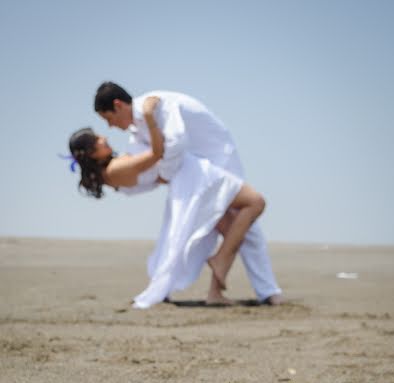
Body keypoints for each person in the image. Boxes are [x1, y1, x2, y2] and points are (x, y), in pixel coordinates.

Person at [94, 82, 283, 305]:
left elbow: (176, 142)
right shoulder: (138, 129)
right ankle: (241, 289)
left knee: (240, 225)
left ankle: (256, 289)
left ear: (118, 105)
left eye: (108, 118)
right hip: (196, 170)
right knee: (226, 223)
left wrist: (164, 174)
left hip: (218, 159)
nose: (111, 126)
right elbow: (145, 163)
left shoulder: (156, 105)